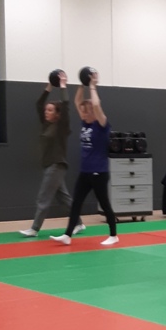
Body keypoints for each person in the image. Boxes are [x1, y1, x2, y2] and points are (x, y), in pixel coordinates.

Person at [51, 74, 118, 246]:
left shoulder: (102, 125)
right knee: (76, 203)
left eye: (86, 111)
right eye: (83, 110)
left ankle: (113, 235)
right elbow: (77, 101)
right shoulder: (85, 124)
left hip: (99, 172)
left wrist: (92, 86)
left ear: (94, 113)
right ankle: (67, 235)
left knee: (104, 204)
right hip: (85, 172)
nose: (83, 112)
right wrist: (82, 84)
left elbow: (96, 104)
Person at [19, 72, 84, 238]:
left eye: (50, 110)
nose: (46, 112)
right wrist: (50, 85)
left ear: (57, 114)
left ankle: (34, 229)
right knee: (64, 198)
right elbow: (39, 104)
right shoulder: (46, 124)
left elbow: (66, 105)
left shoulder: (62, 127)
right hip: (49, 165)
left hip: (56, 165)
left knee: (43, 198)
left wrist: (63, 86)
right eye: (46, 110)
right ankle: (79, 223)